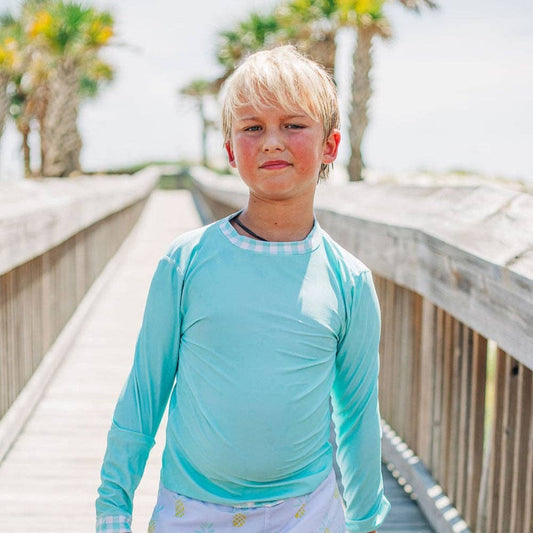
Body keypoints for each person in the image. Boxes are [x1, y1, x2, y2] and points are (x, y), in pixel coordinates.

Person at [96, 45, 390, 533]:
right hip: (190, 513)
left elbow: (357, 416)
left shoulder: (350, 281)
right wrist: (113, 507)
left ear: (330, 146)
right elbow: (144, 394)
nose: (272, 141)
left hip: (307, 514)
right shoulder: (186, 262)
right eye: (252, 127)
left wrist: (362, 522)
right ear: (231, 151)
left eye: (294, 125)